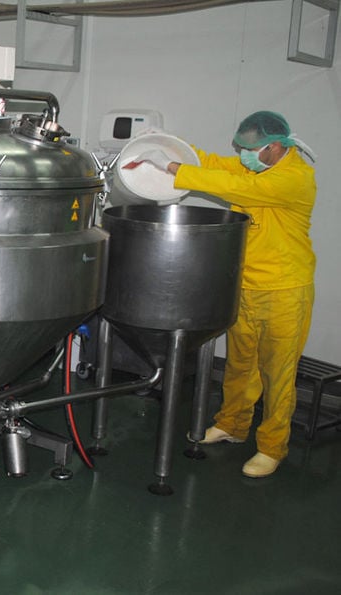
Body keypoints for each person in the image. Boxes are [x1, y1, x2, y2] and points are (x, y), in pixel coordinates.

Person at [127, 111, 317, 478]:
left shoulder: (295, 179)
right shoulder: (255, 167)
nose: (243, 156)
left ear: (275, 147)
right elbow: (212, 165)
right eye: (241, 149)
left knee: (278, 373)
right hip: (246, 284)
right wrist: (164, 142)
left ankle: (272, 447)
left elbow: (228, 186)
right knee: (240, 364)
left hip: (285, 289)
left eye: (250, 150)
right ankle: (233, 423)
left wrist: (168, 166)